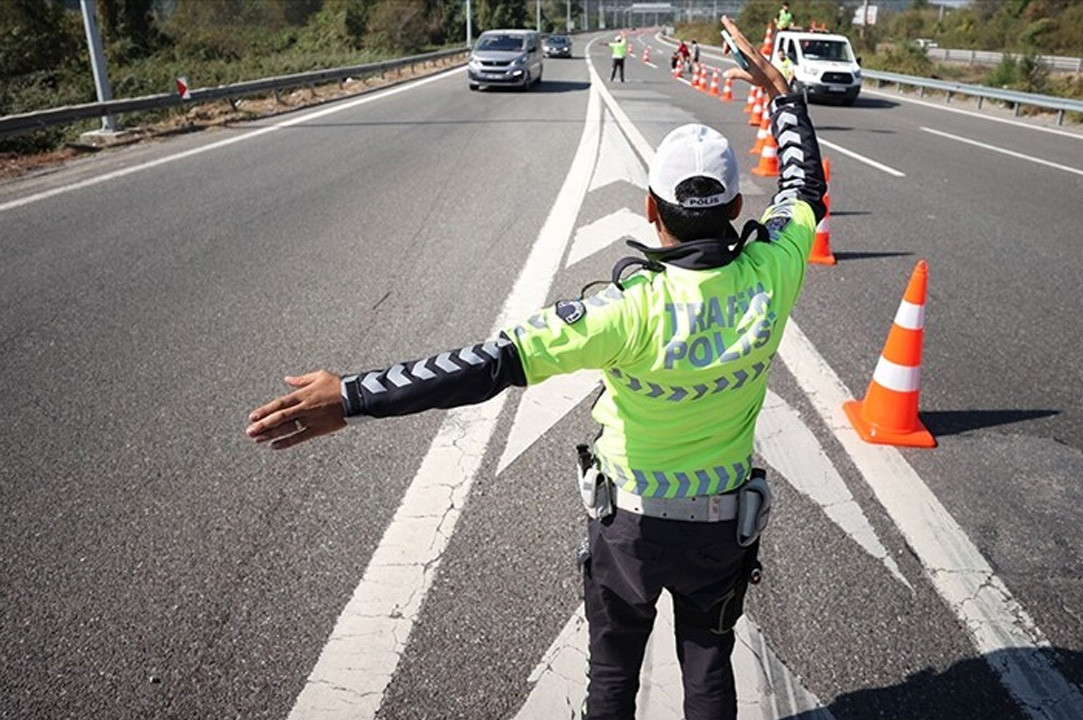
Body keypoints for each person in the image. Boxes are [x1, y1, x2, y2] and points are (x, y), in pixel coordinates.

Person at [245, 15, 825, 720]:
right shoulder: (775, 270)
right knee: (708, 665)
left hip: (631, 529)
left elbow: (485, 365)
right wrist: (786, 98)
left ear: (650, 210)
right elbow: (804, 187)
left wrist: (354, 396)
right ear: (737, 206)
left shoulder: (622, 312)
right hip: (720, 527)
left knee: (612, 678)